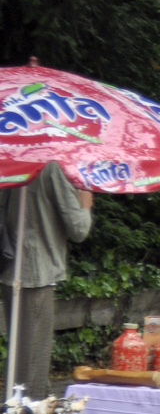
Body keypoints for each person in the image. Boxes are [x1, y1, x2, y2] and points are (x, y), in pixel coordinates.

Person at [0, 162, 93, 396]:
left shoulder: (16, 154)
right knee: (33, 360)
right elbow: (78, 229)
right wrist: (85, 205)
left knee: (19, 353)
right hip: (36, 271)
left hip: (11, 265)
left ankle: (14, 411)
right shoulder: (52, 166)